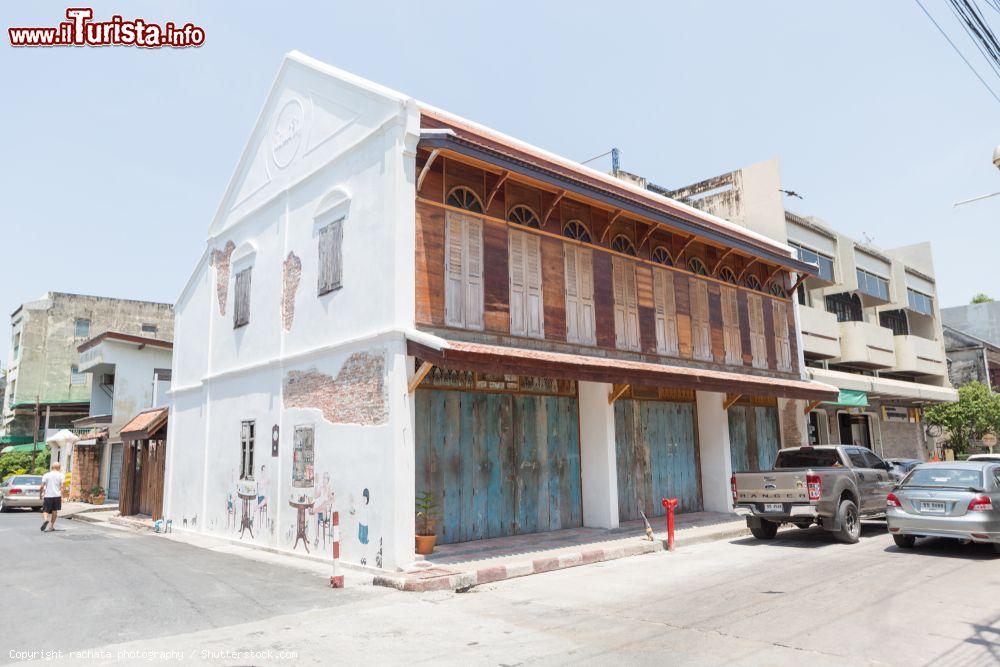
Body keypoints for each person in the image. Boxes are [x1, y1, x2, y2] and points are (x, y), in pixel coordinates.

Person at [39, 462, 65, 532]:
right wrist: (62, 497)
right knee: (54, 511)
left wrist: (40, 494)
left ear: (51, 467)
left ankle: (45, 520)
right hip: (57, 496)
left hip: (48, 495)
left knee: (45, 510)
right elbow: (62, 487)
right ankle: (51, 526)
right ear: (59, 468)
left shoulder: (46, 475)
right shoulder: (61, 475)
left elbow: (41, 486)